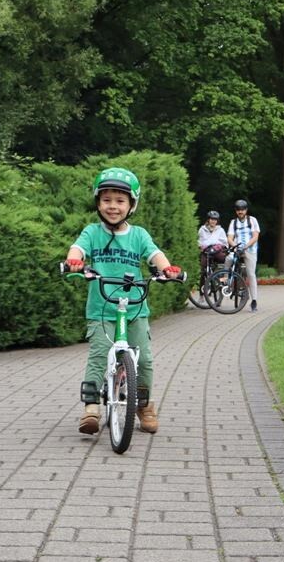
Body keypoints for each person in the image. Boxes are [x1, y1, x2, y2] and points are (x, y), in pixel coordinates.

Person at [64, 166, 182, 436]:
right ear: (97, 202)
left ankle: (144, 406)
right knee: (97, 356)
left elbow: (155, 255)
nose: (113, 206)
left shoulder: (138, 235)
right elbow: (77, 248)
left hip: (135, 308)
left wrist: (167, 269)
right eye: (106, 200)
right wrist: (74, 261)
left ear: (132, 204)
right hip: (102, 308)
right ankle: (91, 407)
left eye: (120, 201)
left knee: (144, 359)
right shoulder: (92, 232)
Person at [228, 199, 261, 311]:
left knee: (251, 274)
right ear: (236, 211)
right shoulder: (233, 222)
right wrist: (236, 246)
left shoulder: (252, 220)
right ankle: (226, 279)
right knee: (228, 259)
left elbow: (255, 236)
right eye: (238, 210)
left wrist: (245, 246)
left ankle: (254, 301)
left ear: (246, 210)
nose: (240, 212)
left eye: (242, 209)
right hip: (238, 249)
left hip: (250, 249)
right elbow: (229, 238)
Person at [198, 210, 228, 275]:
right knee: (203, 267)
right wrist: (203, 246)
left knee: (225, 259)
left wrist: (218, 246)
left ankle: (220, 277)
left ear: (217, 221)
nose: (213, 221)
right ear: (208, 219)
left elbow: (225, 243)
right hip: (206, 252)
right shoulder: (202, 229)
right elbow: (200, 242)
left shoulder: (220, 230)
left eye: (215, 219)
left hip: (217, 251)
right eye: (212, 219)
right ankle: (203, 283)